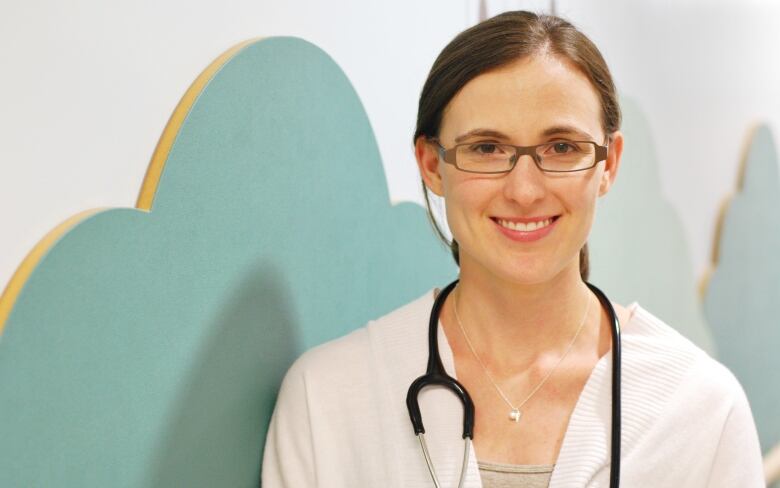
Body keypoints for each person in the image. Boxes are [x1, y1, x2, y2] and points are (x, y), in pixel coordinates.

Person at [262, 11, 764, 487]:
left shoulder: (700, 411)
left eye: (562, 147)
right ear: (432, 165)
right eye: (486, 149)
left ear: (608, 164)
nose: (524, 190)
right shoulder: (325, 401)